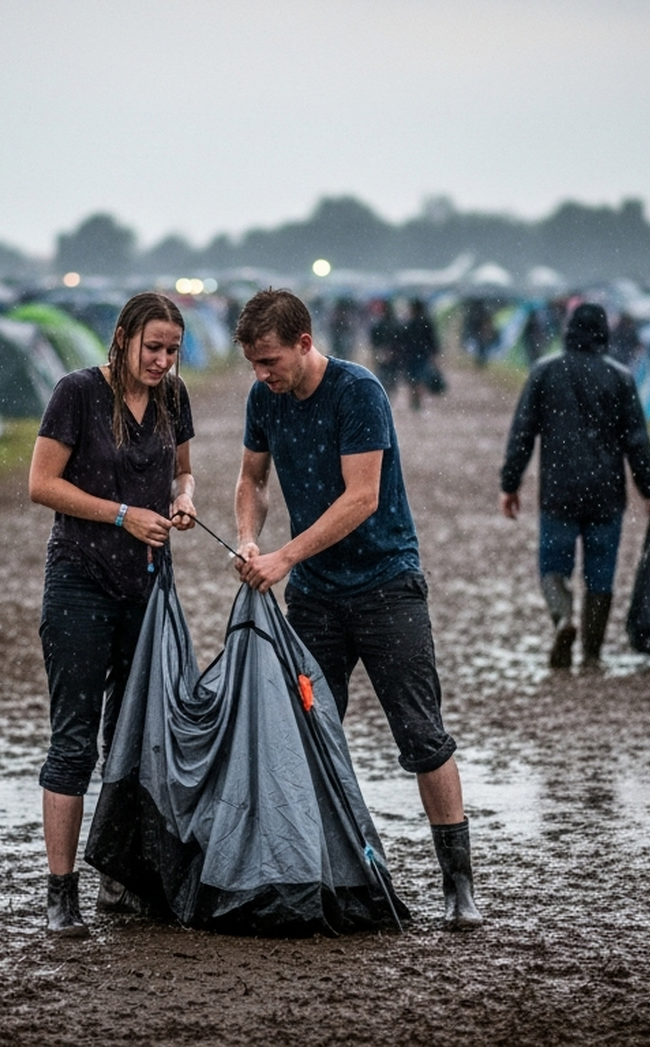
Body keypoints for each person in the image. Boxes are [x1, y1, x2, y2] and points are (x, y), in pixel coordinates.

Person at [231, 288, 482, 930]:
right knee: (308, 735)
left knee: (422, 737)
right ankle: (326, 876)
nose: (263, 376)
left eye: (271, 361)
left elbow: (361, 497)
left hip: (386, 585)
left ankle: (460, 887)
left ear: (305, 343)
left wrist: (283, 558)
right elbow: (253, 481)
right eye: (255, 364)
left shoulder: (359, 391)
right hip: (314, 599)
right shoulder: (266, 398)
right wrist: (249, 536)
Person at [27, 291, 197, 937]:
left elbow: (185, 472)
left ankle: (119, 878)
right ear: (122, 337)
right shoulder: (76, 392)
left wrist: (182, 501)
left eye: (171, 350)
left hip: (149, 586)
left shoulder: (175, 399)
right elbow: (42, 483)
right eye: (151, 346)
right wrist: (122, 513)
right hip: (80, 582)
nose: (160, 360)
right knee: (73, 739)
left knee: (131, 740)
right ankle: (60, 890)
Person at [500, 304, 650, 668]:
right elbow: (637, 441)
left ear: (568, 331)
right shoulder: (620, 377)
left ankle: (563, 618)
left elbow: (522, 434)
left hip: (558, 491)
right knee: (600, 573)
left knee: (553, 564)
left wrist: (510, 484)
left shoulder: (545, 373)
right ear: (604, 333)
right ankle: (592, 652)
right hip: (606, 493)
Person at [396, 297, 441, 411]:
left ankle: (414, 399)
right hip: (422, 355)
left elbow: (402, 341)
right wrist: (434, 356)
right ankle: (417, 400)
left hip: (410, 356)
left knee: (412, 379)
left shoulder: (408, 324)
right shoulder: (426, 323)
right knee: (420, 378)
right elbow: (433, 341)